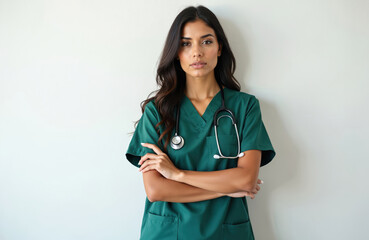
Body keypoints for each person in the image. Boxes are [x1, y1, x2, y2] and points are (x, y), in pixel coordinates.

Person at [125, 5, 276, 240]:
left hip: (226, 233)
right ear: (176, 52)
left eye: (206, 42)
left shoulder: (245, 107)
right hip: (167, 234)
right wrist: (227, 187)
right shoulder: (157, 111)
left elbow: (246, 179)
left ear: (219, 48)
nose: (197, 52)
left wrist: (178, 175)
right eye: (186, 43)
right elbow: (156, 190)